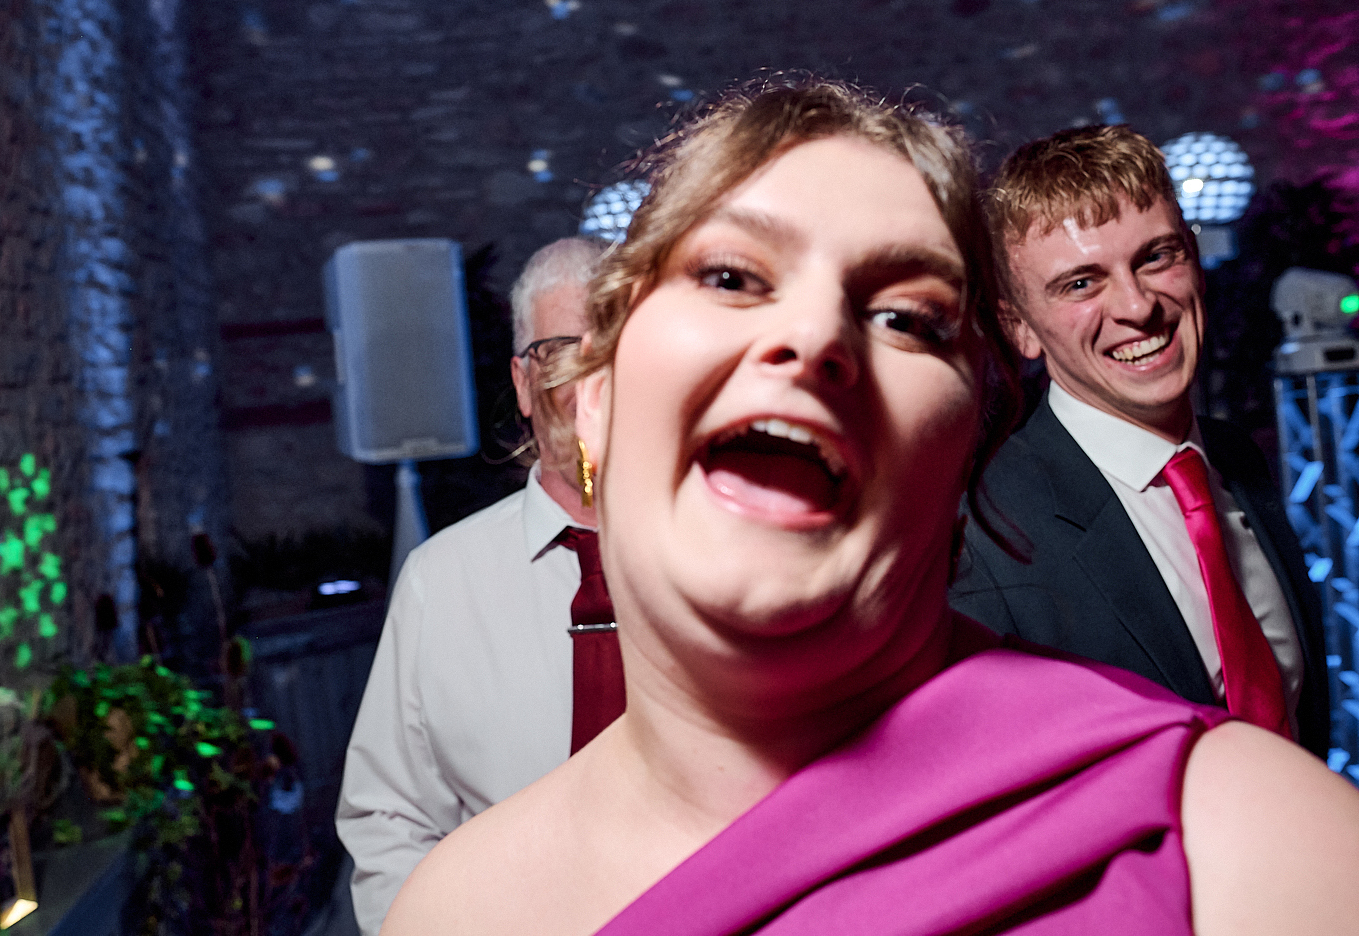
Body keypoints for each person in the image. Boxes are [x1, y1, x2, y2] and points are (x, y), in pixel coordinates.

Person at [381, 78, 1359, 936]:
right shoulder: (458, 909)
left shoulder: (1241, 839)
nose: (814, 334)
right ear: (590, 401)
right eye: (730, 276)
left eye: (906, 317)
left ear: (966, 443)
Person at [951, 125, 1329, 755]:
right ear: (1019, 328)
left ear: (1195, 262)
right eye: (1081, 283)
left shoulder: (1236, 460)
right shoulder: (988, 534)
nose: (1137, 306)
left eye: (1156, 257)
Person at [336, 236, 616, 936]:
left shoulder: (716, 558)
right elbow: (389, 819)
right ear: (522, 382)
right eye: (561, 351)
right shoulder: (441, 582)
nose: (589, 383)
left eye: (614, 352)